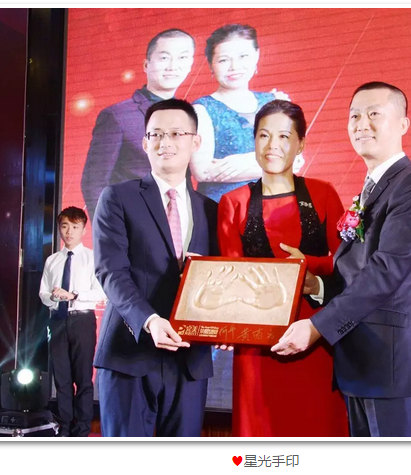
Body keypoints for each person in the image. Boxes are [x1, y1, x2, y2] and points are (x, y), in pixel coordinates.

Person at [271, 82, 411, 437]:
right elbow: (356, 270)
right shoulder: (370, 189)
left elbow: (385, 272)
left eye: (374, 113)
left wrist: (317, 326)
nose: (361, 124)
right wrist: (318, 286)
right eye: (354, 116)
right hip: (362, 368)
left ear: (403, 124)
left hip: (396, 371)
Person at [218, 100, 348, 437]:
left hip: (316, 333)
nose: (272, 146)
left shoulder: (322, 193)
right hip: (256, 341)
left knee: (318, 426)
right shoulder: (233, 202)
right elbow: (232, 274)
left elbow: (348, 264)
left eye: (284, 136)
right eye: (263, 135)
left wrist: (308, 266)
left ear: (301, 144)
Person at [93, 99, 218, 437]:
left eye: (176, 133)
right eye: (156, 134)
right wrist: (148, 320)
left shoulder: (212, 210)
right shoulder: (118, 198)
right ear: (145, 143)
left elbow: (221, 277)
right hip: (129, 353)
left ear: (195, 142)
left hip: (189, 361)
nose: (165, 142)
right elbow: (111, 271)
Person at [81, 29, 196, 220]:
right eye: (164, 58)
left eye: (182, 57)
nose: (173, 66)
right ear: (146, 64)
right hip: (134, 224)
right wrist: (110, 232)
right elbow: (93, 182)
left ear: (190, 65)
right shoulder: (117, 116)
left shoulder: (190, 116)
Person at [191, 23, 303, 203]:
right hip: (222, 208)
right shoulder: (202, 109)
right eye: (223, 60)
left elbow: (295, 161)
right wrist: (273, 163)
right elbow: (203, 171)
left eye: (243, 56)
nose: (234, 67)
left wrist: (244, 161)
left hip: (275, 205)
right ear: (211, 64)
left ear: (256, 55)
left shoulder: (274, 102)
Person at [39, 206, 106, 437]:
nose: (69, 232)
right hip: (57, 320)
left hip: (82, 321)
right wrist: (53, 297)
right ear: (59, 228)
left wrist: (74, 295)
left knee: (83, 379)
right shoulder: (52, 260)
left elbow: (101, 292)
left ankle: (83, 428)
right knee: (62, 379)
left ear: (84, 230)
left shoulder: (92, 258)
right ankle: (64, 428)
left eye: (75, 227)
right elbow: (43, 293)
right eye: (65, 226)